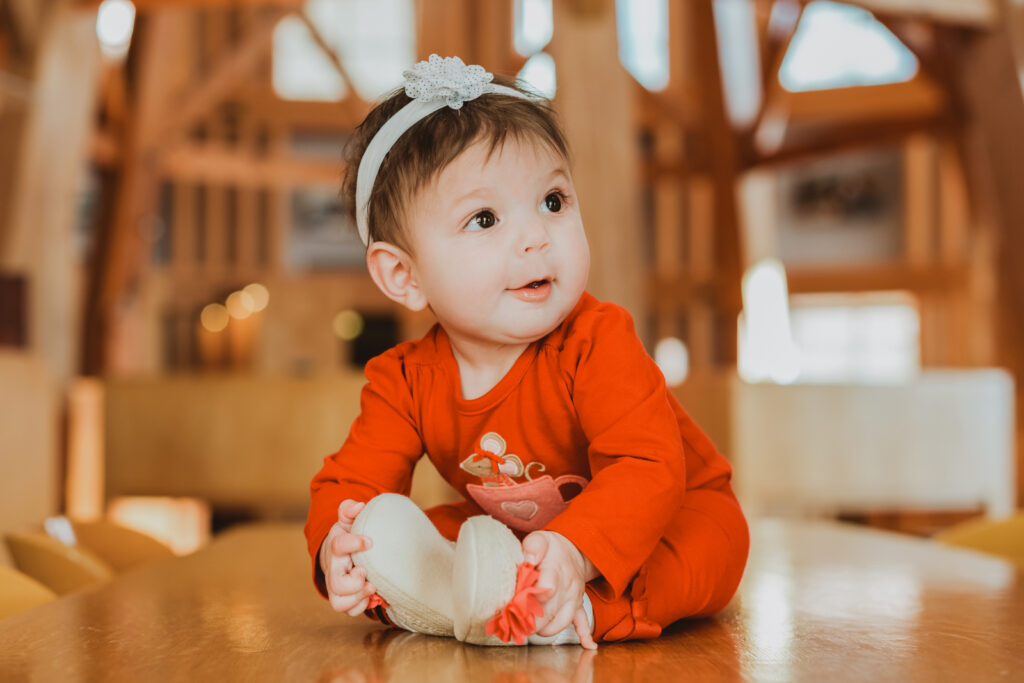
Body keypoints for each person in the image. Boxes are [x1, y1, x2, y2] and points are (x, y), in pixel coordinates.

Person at [304, 55, 749, 649]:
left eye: (554, 201)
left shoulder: (596, 340)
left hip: (661, 512)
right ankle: (453, 593)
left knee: (709, 544)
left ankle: (579, 610)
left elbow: (649, 470)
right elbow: (350, 482)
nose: (537, 236)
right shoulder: (404, 381)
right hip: (524, 534)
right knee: (403, 530)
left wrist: (576, 550)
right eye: (485, 218)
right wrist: (341, 547)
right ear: (403, 275)